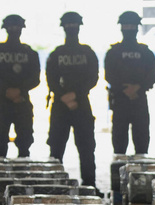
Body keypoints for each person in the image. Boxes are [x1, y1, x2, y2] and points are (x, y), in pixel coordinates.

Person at [46, 12, 100, 191]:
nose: (71, 29)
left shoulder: (86, 52)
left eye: (73, 25)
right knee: (56, 147)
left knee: (86, 147)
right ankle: (54, 187)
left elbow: (93, 77)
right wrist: (68, 96)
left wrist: (72, 95)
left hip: (79, 103)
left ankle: (90, 185)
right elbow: (50, 79)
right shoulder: (57, 54)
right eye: (69, 26)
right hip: (66, 104)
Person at [0, 14, 40, 158]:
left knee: (23, 143)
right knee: (1, 144)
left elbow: (35, 78)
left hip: (14, 101)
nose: (14, 31)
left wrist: (11, 91)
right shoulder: (28, 52)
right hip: (14, 101)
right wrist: (18, 91)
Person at [104, 11, 155, 155]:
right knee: (119, 145)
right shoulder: (114, 52)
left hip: (137, 100)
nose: (129, 29)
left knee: (141, 144)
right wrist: (133, 89)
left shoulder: (144, 52)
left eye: (131, 26)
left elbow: (153, 75)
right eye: (126, 26)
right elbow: (109, 75)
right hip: (122, 100)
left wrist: (137, 88)